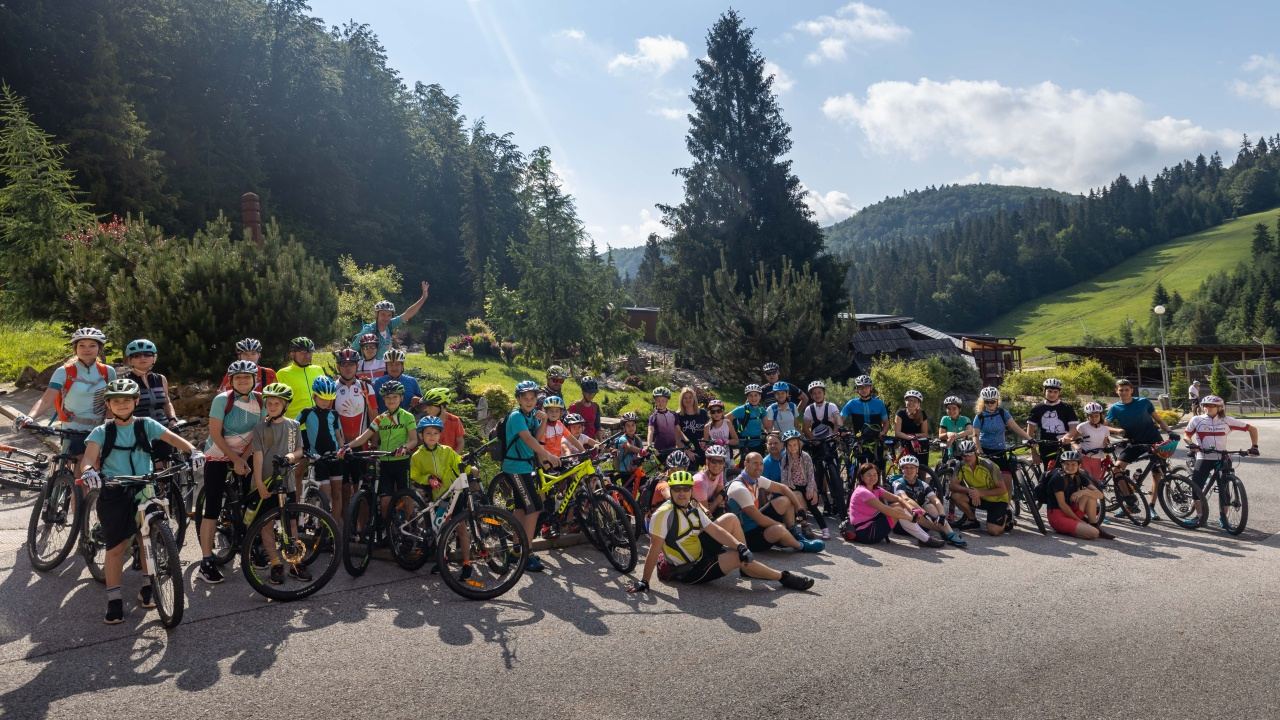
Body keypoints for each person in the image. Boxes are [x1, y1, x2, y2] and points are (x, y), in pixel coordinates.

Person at [78, 378, 202, 623]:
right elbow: (88, 458)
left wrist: (193, 451)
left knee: (148, 539)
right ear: (109, 405)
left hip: (146, 487)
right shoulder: (102, 432)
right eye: (116, 401)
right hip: (116, 489)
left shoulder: (146, 424)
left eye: (127, 400)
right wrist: (89, 471)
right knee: (117, 547)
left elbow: (173, 439)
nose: (122, 405)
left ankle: (148, 587)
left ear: (136, 402)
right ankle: (114, 599)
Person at [628, 470, 815, 593]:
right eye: (677, 490)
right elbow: (654, 549)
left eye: (686, 489)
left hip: (699, 547)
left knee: (730, 518)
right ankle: (783, 577)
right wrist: (644, 581)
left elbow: (714, 529)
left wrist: (740, 546)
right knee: (737, 558)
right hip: (690, 569)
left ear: (691, 491)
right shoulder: (663, 515)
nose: (682, 493)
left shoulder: (692, 506)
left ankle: (748, 564)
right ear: (672, 490)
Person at [197, 360, 264, 584]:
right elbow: (215, 433)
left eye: (247, 377)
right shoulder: (222, 400)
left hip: (245, 453)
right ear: (231, 381)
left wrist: (243, 459)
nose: (243, 381)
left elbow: (258, 433)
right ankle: (206, 561)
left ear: (254, 380)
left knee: (250, 502)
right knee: (212, 507)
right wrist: (234, 459)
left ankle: (250, 545)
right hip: (218, 452)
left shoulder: (260, 400)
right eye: (238, 378)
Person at [16, 327, 117, 463]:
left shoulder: (108, 371)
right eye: (82, 345)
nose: (87, 349)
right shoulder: (63, 372)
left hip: (100, 427)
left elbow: (113, 400)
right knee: (79, 466)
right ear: (75, 349)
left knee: (103, 466)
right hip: (73, 429)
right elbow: (46, 400)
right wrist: (30, 417)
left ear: (99, 348)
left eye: (92, 345)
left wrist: (109, 423)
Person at [250, 383, 309, 584]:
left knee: (291, 522)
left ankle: (295, 562)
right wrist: (259, 483)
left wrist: (292, 456)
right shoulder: (259, 428)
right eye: (270, 403)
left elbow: (300, 450)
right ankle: (275, 563)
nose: (273, 406)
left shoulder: (293, 426)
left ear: (285, 405)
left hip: (287, 481)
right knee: (266, 524)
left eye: (277, 403)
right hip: (266, 481)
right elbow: (257, 456)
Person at [500, 380, 561, 572]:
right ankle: (526, 553)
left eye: (532, 398)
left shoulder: (532, 415)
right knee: (534, 507)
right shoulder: (516, 416)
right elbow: (528, 439)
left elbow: (537, 438)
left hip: (525, 467)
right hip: (515, 467)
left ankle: (516, 551)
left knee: (521, 508)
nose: (528, 401)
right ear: (518, 399)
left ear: (536, 399)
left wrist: (544, 421)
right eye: (524, 398)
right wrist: (548, 455)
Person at [341, 380, 417, 523]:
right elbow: (363, 438)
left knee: (406, 497)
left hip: (401, 462)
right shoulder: (380, 418)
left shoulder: (408, 416)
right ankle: (389, 530)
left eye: (395, 397)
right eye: (388, 397)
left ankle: (409, 525)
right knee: (385, 502)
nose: (391, 400)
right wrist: (347, 446)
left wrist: (404, 448)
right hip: (385, 463)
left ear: (401, 398)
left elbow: (414, 440)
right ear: (383, 399)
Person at [409, 415, 475, 577]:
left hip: (454, 494)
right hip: (437, 496)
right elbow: (414, 474)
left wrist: (470, 470)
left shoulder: (447, 451)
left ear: (440, 435)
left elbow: (459, 464)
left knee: (461, 527)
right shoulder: (417, 456)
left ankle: (467, 563)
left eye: (435, 433)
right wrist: (428, 479)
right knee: (439, 528)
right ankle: (442, 560)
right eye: (428, 433)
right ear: (421, 435)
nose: (432, 436)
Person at [1183, 394, 1260, 528]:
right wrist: (1191, 444)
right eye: (1205, 405)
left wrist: (1254, 447)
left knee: (1224, 490)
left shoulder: (1227, 420)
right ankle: (1199, 517)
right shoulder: (1197, 420)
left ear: (1219, 407)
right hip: (1204, 457)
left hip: (1222, 457)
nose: (1207, 408)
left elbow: (1252, 429)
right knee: (1196, 487)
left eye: (1211, 406)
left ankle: (1223, 518)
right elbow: (1186, 434)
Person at [725, 452, 824, 553]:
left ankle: (793, 534)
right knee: (779, 529)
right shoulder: (740, 488)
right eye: (755, 463)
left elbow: (783, 488)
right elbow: (759, 519)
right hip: (745, 536)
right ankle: (800, 545)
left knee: (785, 500)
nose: (759, 467)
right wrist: (780, 525)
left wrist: (799, 508)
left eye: (761, 464)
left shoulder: (755, 479)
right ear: (745, 463)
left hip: (754, 523)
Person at [1105, 378, 1175, 519]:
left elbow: (1158, 420)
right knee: (1116, 469)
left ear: (1132, 390)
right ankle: (1128, 502)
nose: (1124, 392)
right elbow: (1104, 426)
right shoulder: (1115, 408)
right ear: (1116, 391)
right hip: (1134, 443)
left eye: (1126, 390)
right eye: (1121, 390)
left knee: (1157, 475)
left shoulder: (1144, 402)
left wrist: (1169, 431)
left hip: (1154, 441)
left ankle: (1151, 507)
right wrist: (1117, 430)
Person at [843, 461, 945, 547]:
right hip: (865, 532)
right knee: (898, 511)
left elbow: (898, 498)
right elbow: (886, 510)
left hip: (871, 522)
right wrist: (910, 518)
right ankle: (926, 539)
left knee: (899, 505)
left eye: (875, 475)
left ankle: (924, 538)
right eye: (868, 475)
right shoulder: (863, 492)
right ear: (862, 477)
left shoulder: (875, 489)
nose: (872, 477)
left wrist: (912, 510)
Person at [276, 336, 325, 494]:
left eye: (310, 352)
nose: (307, 355)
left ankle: (319, 504)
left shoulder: (318, 370)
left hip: (318, 426)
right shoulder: (283, 374)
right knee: (297, 471)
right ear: (292, 354)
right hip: (296, 427)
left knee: (321, 469)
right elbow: (278, 403)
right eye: (303, 352)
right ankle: (295, 504)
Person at [297, 376, 346, 531]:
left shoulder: (334, 414)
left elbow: (339, 435)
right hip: (318, 458)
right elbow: (292, 428)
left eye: (329, 399)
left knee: (337, 493)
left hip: (335, 456)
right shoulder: (306, 412)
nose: (326, 402)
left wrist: (342, 449)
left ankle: (334, 528)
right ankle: (325, 528)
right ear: (314, 396)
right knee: (326, 494)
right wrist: (300, 448)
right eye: (322, 398)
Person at [122, 339, 178, 464]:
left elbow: (166, 402)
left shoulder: (161, 379)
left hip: (163, 429)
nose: (142, 358)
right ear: (130, 360)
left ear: (154, 358)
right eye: (136, 355)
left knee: (169, 465)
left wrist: (172, 419)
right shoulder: (126, 381)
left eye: (147, 354)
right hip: (138, 431)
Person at [891, 456, 966, 546]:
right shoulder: (897, 483)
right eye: (906, 467)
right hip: (903, 523)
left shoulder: (923, 484)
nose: (909, 470)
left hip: (922, 522)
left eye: (912, 467)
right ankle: (943, 532)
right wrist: (924, 513)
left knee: (930, 506)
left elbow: (935, 500)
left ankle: (949, 533)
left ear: (917, 469)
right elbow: (906, 499)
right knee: (910, 509)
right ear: (901, 469)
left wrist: (942, 515)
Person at [1042, 450, 1112, 540]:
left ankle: (1094, 525)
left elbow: (1100, 495)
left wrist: (1082, 492)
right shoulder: (1057, 478)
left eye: (1073, 464)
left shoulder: (1079, 475)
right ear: (1062, 465)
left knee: (1090, 495)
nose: (1070, 467)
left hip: (1071, 511)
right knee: (1094, 533)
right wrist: (1079, 521)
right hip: (1058, 516)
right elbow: (1062, 505)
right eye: (1067, 464)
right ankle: (1071, 528)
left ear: (1079, 465)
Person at [972, 387, 1034, 486]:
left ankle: (1008, 497)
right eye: (987, 402)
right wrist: (979, 451)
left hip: (1000, 450)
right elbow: (975, 436)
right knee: (989, 482)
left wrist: (1029, 438)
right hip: (985, 452)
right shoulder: (980, 417)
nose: (990, 404)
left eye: (992, 401)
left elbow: (1015, 427)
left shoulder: (1002, 413)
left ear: (997, 400)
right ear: (983, 402)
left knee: (1007, 481)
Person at [948, 440, 1010, 536]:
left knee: (994, 531)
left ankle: (1006, 515)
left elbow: (1002, 490)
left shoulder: (990, 465)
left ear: (975, 453)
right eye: (964, 455)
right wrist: (969, 490)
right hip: (977, 497)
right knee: (956, 495)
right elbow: (952, 485)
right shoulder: (960, 465)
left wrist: (980, 492)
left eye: (970, 454)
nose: (967, 458)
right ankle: (972, 520)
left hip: (997, 500)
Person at [802, 380, 845, 518]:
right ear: (811, 396)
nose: (817, 395)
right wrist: (812, 440)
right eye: (814, 393)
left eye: (819, 392)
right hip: (817, 444)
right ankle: (826, 501)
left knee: (835, 470)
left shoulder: (831, 406)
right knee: (819, 474)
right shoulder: (809, 409)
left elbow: (838, 419)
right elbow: (805, 428)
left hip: (830, 441)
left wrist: (838, 431)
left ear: (824, 393)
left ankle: (837, 500)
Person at [351, 281, 430, 356]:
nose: (386, 318)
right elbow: (352, 351)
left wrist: (423, 297)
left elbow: (407, 314)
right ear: (376, 315)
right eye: (383, 314)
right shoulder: (369, 331)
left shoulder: (390, 324)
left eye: (389, 315)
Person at [778, 430, 828, 539]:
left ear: (799, 444)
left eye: (795, 445)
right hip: (793, 486)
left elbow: (810, 474)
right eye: (789, 445)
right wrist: (788, 490)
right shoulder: (785, 459)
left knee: (813, 506)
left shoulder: (806, 457)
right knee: (798, 507)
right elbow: (784, 477)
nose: (792, 448)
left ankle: (824, 529)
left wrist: (811, 489)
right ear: (786, 446)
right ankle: (803, 526)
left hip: (805, 485)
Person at [841, 374, 888, 476]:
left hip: (876, 439)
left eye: (866, 387)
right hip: (859, 439)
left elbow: (885, 422)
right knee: (857, 466)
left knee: (879, 467)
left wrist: (883, 432)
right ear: (857, 389)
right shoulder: (851, 403)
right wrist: (841, 429)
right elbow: (841, 419)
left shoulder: (879, 403)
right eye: (860, 387)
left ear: (870, 388)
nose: (863, 389)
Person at [1027, 378, 1078, 470]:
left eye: (1055, 392)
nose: (1052, 394)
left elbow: (1073, 428)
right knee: (1049, 474)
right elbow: (1030, 433)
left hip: (1063, 445)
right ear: (1044, 391)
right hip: (1046, 447)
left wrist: (1067, 436)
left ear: (1059, 393)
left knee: (1068, 472)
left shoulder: (1067, 408)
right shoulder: (1037, 408)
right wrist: (1034, 453)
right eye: (1049, 391)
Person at [1062, 402, 1115, 481]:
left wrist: (1108, 448)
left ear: (1100, 415)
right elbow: (1073, 441)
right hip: (1084, 456)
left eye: (1096, 416)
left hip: (1097, 457)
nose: (1094, 418)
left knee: (1096, 481)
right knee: (1086, 480)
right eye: (1091, 416)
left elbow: (1104, 443)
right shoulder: (1082, 426)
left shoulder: (1105, 429)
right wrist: (1078, 448)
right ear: (1087, 416)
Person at [693, 444, 735, 517]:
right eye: (714, 461)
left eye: (720, 462)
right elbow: (706, 514)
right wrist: (717, 501)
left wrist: (718, 500)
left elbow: (721, 493)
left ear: (724, 463)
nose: (717, 465)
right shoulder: (699, 481)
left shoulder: (719, 472)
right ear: (707, 461)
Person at [893, 389, 931, 468]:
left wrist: (914, 436)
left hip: (919, 444)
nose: (911, 403)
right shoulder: (900, 413)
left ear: (919, 404)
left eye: (915, 401)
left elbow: (925, 433)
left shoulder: (922, 414)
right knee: (904, 467)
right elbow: (897, 433)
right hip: (904, 443)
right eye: (909, 400)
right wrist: (911, 438)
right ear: (905, 401)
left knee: (922, 467)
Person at [729, 384, 767, 462]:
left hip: (758, 442)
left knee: (759, 464)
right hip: (745, 443)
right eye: (750, 395)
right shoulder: (741, 409)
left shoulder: (761, 410)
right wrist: (733, 434)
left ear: (760, 396)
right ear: (747, 397)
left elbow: (767, 426)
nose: (753, 398)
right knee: (746, 465)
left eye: (756, 395)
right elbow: (725, 419)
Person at [419, 387, 465, 453]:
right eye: (426, 406)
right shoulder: (424, 422)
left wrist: (454, 456)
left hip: (450, 457)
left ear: (442, 406)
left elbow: (460, 442)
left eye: (430, 406)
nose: (426, 409)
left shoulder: (455, 421)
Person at [646, 386, 685, 459]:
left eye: (663, 400)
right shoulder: (653, 416)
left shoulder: (673, 414)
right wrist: (649, 445)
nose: (660, 403)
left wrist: (687, 441)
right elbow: (650, 431)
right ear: (655, 401)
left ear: (667, 401)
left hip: (672, 449)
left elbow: (679, 430)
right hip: (659, 451)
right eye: (658, 400)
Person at [675, 387, 709, 464]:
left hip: (703, 449)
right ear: (681, 400)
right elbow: (677, 439)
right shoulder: (678, 416)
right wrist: (687, 452)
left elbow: (709, 431)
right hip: (687, 451)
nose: (688, 400)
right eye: (685, 398)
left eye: (690, 397)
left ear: (694, 399)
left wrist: (706, 442)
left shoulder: (703, 413)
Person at [613, 412, 648, 477]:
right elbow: (629, 446)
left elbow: (641, 453)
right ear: (624, 427)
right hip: (624, 470)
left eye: (633, 425)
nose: (631, 428)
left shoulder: (637, 439)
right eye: (628, 425)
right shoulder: (622, 439)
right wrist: (641, 451)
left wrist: (647, 451)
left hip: (634, 469)